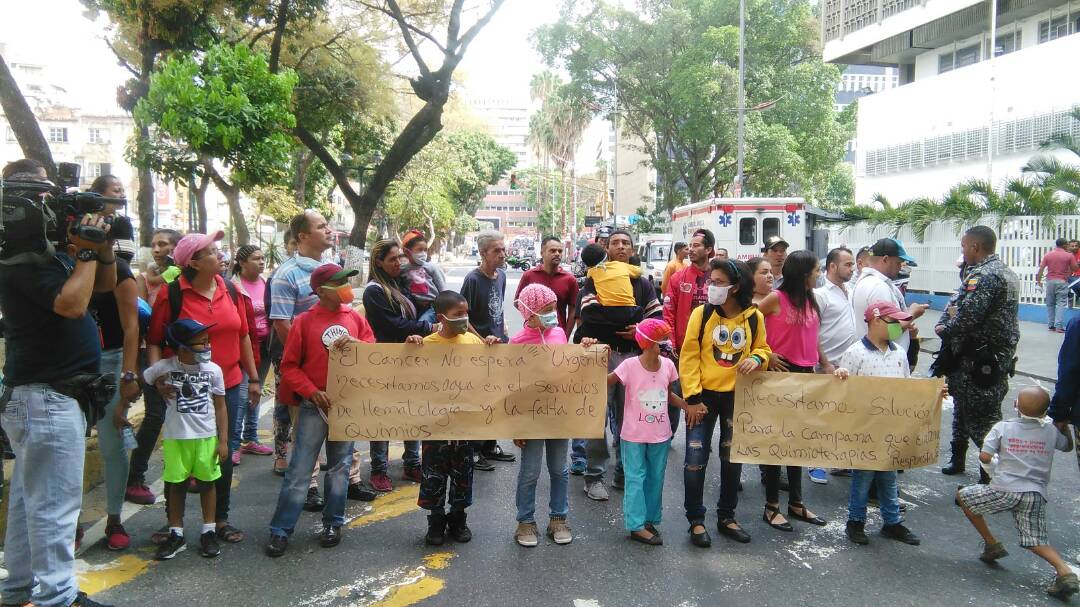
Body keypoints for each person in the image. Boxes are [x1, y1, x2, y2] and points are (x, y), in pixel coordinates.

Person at [0, 158, 117, 607]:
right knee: (53, 507)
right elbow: (71, 305)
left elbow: (100, 286)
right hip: (45, 396)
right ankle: (57, 597)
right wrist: (84, 251)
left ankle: (19, 591)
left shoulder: (49, 255)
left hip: (47, 396)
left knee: (30, 503)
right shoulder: (20, 260)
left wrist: (99, 247)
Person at [147, 231, 260, 546]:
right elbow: (155, 340)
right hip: (185, 389)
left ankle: (219, 521)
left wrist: (253, 378)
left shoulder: (231, 291)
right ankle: (174, 526)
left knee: (221, 451)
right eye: (212, 251)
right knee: (179, 455)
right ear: (193, 262)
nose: (221, 255)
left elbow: (243, 336)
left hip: (229, 386)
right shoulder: (172, 295)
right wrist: (158, 379)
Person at [265, 264, 375, 557]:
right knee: (300, 469)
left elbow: (372, 348)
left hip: (346, 404)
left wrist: (358, 345)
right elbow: (289, 366)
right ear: (322, 290)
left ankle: (333, 523)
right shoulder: (303, 321)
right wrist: (311, 392)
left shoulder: (355, 318)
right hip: (313, 406)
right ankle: (281, 529)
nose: (346, 287)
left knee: (340, 469)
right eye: (340, 282)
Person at [956, 387, 1078, 600]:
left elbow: (985, 456)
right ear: (1045, 411)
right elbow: (1067, 446)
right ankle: (1064, 571)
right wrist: (1063, 428)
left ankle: (991, 543)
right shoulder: (1050, 431)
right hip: (1034, 494)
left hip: (1003, 489)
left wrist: (994, 464)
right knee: (1036, 541)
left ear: (1016, 406)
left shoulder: (1003, 427)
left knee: (964, 497)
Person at [679, 258, 767, 547]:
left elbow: (763, 349)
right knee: (695, 460)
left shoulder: (754, 318)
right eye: (709, 282)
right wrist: (691, 398)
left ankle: (727, 516)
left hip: (736, 400)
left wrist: (756, 358)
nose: (710, 288)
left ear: (735, 286)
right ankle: (696, 521)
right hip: (702, 398)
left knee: (732, 461)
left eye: (717, 283)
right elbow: (689, 356)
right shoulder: (701, 315)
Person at [575, 229, 663, 501]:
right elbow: (589, 317)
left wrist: (639, 328)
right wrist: (632, 318)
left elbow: (657, 319)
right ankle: (594, 476)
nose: (621, 247)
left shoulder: (643, 284)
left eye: (626, 243)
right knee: (596, 418)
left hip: (635, 360)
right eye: (615, 243)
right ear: (607, 249)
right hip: (602, 357)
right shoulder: (593, 280)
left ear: (633, 249)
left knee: (632, 419)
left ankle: (624, 472)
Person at [405, 291, 500, 545]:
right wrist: (411, 345)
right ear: (441, 317)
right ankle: (436, 520)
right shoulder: (427, 344)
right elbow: (408, 374)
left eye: (466, 313)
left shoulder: (472, 342)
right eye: (458, 315)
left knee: (463, 473)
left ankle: (458, 518)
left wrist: (491, 345)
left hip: (465, 425)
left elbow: (490, 373)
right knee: (434, 472)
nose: (465, 319)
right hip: (435, 425)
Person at [509, 284, 596, 547]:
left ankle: (558, 518)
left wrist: (585, 348)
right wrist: (516, 426)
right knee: (530, 472)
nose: (552, 315)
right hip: (531, 420)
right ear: (529, 313)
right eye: (546, 311)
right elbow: (510, 388)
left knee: (560, 470)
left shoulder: (559, 334)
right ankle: (525, 521)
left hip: (559, 416)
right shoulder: (517, 343)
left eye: (553, 309)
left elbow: (568, 367)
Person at [834, 302, 924, 547]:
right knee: (863, 478)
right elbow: (843, 392)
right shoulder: (855, 353)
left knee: (889, 477)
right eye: (893, 322)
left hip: (891, 429)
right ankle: (856, 521)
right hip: (865, 429)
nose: (898, 327)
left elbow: (906, 385)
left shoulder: (898, 353)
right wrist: (841, 376)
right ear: (875, 321)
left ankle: (892, 522)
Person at [936, 227, 1020, 482]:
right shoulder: (1005, 272)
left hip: (980, 359)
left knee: (982, 417)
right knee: (962, 408)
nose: (962, 251)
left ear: (974, 247)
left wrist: (945, 329)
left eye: (964, 246)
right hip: (988, 357)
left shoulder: (985, 275)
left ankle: (993, 476)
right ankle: (958, 458)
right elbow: (957, 305)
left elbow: (967, 315)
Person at [144, 319, 230, 560]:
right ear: (182, 347)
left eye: (207, 341)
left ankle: (209, 531)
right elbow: (146, 378)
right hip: (176, 439)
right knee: (176, 486)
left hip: (206, 438)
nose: (207, 346)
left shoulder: (214, 370)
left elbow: (221, 407)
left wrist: (223, 441)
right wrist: (158, 385)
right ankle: (176, 533)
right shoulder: (165, 367)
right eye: (201, 343)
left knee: (207, 483)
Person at [757, 250, 827, 532]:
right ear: (803, 273)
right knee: (777, 443)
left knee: (797, 443)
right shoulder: (776, 299)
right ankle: (771, 506)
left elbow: (813, 337)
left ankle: (796, 503)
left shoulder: (811, 300)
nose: (819, 274)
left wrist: (827, 363)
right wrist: (766, 354)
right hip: (780, 376)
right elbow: (749, 322)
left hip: (806, 376)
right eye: (816, 270)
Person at [268, 211, 332, 501]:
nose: (329, 230)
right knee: (303, 426)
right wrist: (305, 361)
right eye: (321, 227)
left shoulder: (333, 266)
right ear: (303, 236)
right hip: (303, 366)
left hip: (333, 365)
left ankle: (343, 479)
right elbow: (282, 323)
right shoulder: (286, 274)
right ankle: (308, 487)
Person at [86, 223, 142, 551]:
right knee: (70, 447)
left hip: (111, 363)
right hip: (71, 364)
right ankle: (73, 523)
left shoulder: (119, 271)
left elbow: (131, 328)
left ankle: (113, 517)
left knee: (112, 443)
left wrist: (128, 376)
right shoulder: (66, 263)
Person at [608, 318, 687, 545]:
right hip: (633, 435)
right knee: (635, 478)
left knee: (656, 478)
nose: (666, 344)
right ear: (649, 343)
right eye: (662, 340)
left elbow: (667, 395)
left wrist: (687, 407)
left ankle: (650, 519)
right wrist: (588, 367)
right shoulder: (629, 366)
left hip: (660, 434)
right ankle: (636, 525)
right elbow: (609, 381)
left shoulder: (669, 366)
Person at [362, 239, 428, 490]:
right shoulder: (374, 290)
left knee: (411, 411)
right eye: (392, 259)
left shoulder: (397, 284)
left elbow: (416, 311)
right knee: (383, 416)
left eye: (400, 257)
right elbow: (391, 325)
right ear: (378, 262)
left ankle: (412, 462)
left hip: (408, 359)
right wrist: (426, 327)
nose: (398, 262)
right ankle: (379, 469)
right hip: (384, 362)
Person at [127, 227, 183, 505]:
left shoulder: (185, 276)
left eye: (164, 244)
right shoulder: (143, 279)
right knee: (155, 415)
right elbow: (137, 320)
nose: (158, 249)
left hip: (184, 355)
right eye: (154, 244)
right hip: (151, 352)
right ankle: (134, 477)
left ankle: (187, 472)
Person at [460, 230, 515, 471]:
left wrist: (503, 334)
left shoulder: (501, 276)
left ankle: (489, 446)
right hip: (478, 350)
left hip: (499, 348)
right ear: (483, 253)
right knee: (476, 402)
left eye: (503, 249)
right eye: (497, 250)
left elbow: (499, 310)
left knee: (495, 400)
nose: (502, 254)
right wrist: (481, 340)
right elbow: (462, 317)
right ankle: (471, 451)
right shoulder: (472, 280)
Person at [806, 246, 857, 485]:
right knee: (820, 415)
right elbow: (813, 332)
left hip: (849, 366)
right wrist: (824, 362)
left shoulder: (851, 291)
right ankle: (815, 463)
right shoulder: (820, 295)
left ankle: (839, 461)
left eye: (853, 264)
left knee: (844, 414)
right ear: (833, 266)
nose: (852, 268)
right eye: (848, 264)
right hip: (826, 365)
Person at [231, 245, 274, 458]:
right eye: (256, 258)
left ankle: (250, 437)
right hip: (242, 349)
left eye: (263, 257)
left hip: (264, 348)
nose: (261, 261)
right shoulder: (233, 286)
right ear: (242, 263)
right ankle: (234, 444)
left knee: (255, 393)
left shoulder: (267, 283)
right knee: (241, 395)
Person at [851, 238, 927, 355]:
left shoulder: (870, 282)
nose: (900, 267)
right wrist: (912, 314)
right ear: (885, 259)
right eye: (898, 262)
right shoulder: (877, 286)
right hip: (883, 361)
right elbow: (887, 331)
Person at [515, 236, 579, 335]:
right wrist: (535, 319)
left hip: (557, 336)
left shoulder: (570, 279)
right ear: (542, 253)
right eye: (552, 251)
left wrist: (565, 335)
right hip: (532, 335)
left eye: (560, 251)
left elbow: (573, 311)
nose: (557, 254)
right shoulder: (529, 275)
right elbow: (518, 303)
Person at [400, 229, 448, 324]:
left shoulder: (431, 267)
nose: (423, 253)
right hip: (412, 306)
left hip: (432, 307)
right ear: (407, 252)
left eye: (425, 250)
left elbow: (443, 291)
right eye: (420, 250)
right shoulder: (402, 270)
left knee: (423, 324)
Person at [581, 242, 643, 310]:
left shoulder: (591, 272)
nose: (620, 247)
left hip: (607, 310)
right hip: (630, 308)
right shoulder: (619, 265)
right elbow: (639, 271)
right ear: (607, 254)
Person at [1036, 238, 1077, 333]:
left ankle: (1051, 325)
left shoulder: (1048, 255)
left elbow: (1041, 268)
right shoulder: (1069, 255)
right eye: (1067, 244)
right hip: (1062, 281)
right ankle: (1058, 326)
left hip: (1050, 281)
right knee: (1061, 303)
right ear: (1064, 245)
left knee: (1050, 304)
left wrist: (1038, 281)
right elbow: (1075, 268)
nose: (1068, 246)